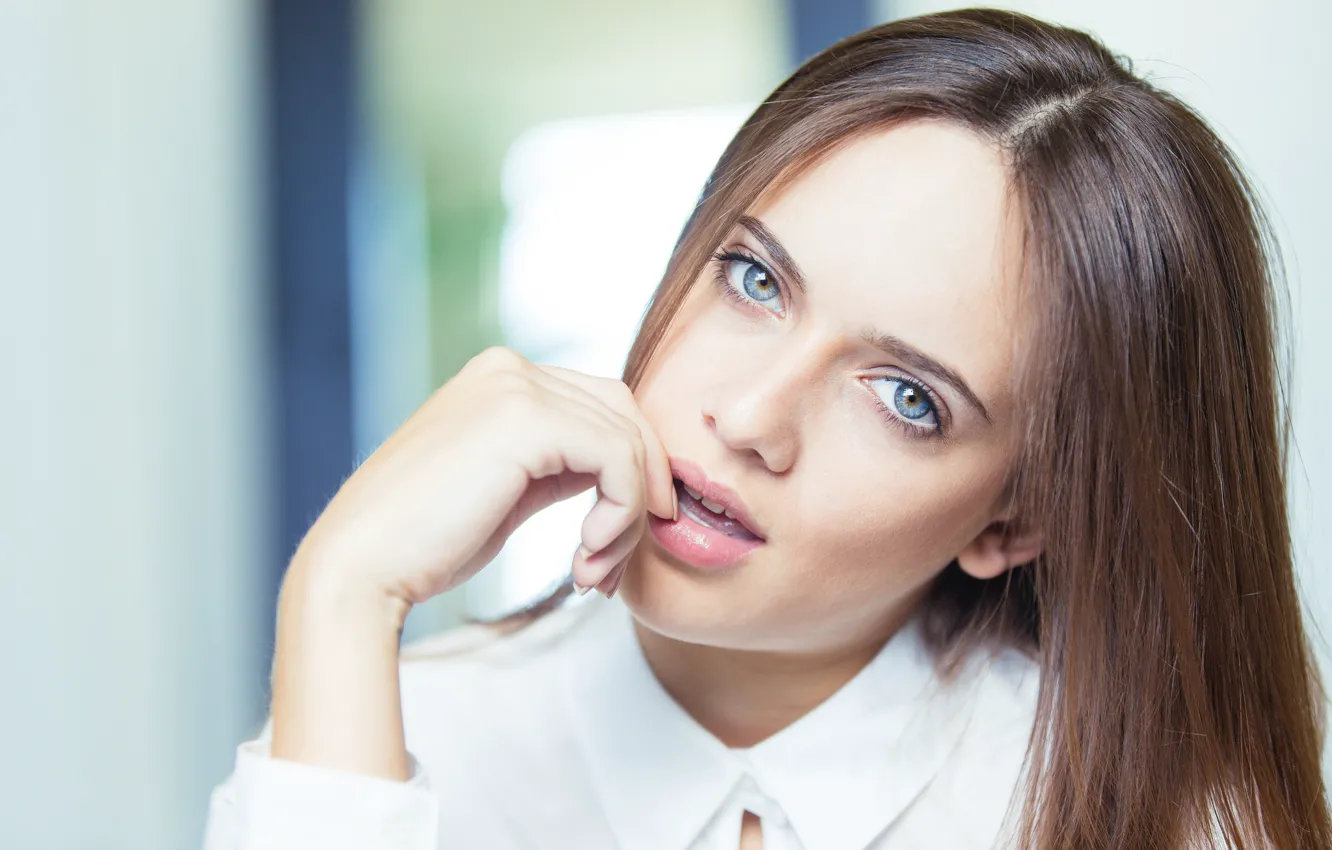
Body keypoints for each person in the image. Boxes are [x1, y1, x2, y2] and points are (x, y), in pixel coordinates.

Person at [202, 8, 1331, 849]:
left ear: (1015, 520)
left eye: (907, 398)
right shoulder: (395, 740)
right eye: (752, 278)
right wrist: (340, 588)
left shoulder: (1152, 819)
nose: (747, 419)